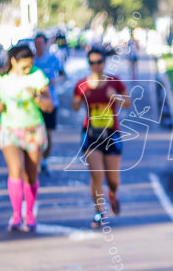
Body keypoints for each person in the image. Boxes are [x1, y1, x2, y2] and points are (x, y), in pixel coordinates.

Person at [0, 44, 54, 232]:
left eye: (30, 66)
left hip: (33, 129)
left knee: (31, 174)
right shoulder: (0, 78)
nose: (27, 70)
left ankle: (30, 213)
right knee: (15, 169)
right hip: (10, 129)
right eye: (24, 67)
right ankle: (17, 215)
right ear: (13, 62)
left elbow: (49, 105)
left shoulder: (37, 76)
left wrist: (35, 96)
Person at [72, 49, 131, 227]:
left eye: (99, 62)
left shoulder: (115, 82)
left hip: (111, 133)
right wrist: (79, 98)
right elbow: (74, 106)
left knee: (113, 180)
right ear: (88, 64)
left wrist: (115, 97)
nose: (96, 66)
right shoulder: (82, 84)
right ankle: (99, 212)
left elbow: (128, 103)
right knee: (96, 174)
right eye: (92, 63)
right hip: (91, 134)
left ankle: (112, 194)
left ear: (104, 63)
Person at [32, 32, 65, 175]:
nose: (38, 46)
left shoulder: (53, 59)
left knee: (48, 133)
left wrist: (54, 81)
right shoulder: (30, 60)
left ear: (46, 44)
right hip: (33, 103)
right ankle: (36, 161)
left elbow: (64, 74)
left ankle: (44, 159)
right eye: (36, 43)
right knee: (35, 133)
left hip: (51, 101)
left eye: (40, 43)